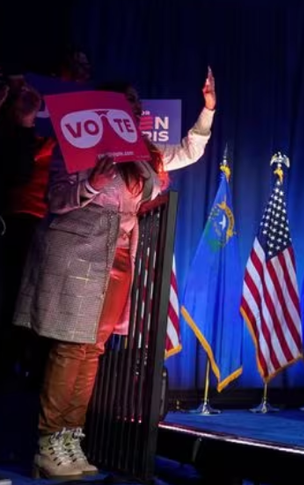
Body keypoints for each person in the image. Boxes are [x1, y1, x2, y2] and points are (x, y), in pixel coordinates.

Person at [14, 69, 216, 479]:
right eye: (128, 101)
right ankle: (48, 442)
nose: (137, 108)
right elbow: (56, 198)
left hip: (119, 257)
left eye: (138, 102)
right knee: (71, 347)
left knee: (93, 350)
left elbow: (187, 151)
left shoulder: (142, 153)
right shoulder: (78, 143)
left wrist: (208, 110)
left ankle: (70, 436)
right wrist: (91, 183)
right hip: (77, 255)